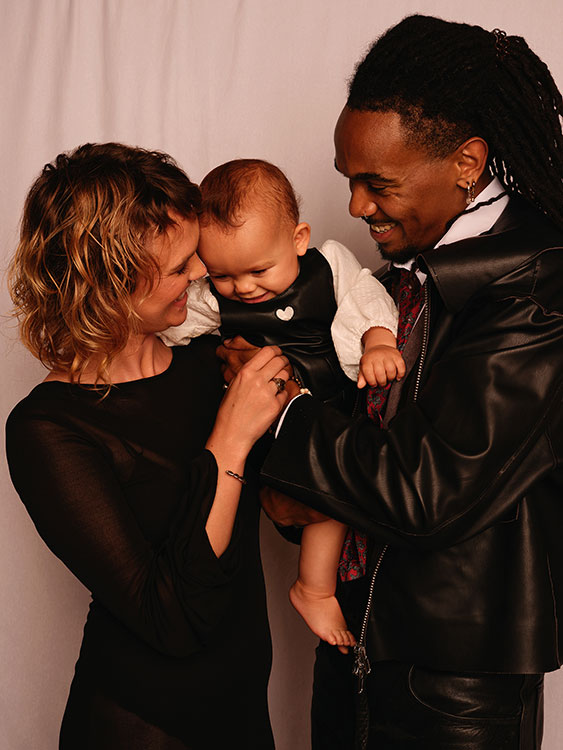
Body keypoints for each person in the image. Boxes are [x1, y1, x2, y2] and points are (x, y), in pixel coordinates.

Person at [220, 15, 563, 750]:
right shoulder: (391, 285)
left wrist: (278, 409)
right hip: (349, 651)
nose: (354, 207)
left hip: (454, 693)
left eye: (377, 183)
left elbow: (424, 494)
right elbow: (334, 467)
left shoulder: (537, 290)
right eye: (348, 179)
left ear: (467, 162)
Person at [5, 142, 291, 749]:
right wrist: (232, 439)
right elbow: (172, 621)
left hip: (244, 714)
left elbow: (290, 514)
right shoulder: (48, 428)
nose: (202, 273)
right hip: (142, 727)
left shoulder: (212, 364)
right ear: (109, 282)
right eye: (180, 266)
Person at [160, 157, 403, 652]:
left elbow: (367, 295)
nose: (244, 288)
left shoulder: (328, 265)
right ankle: (314, 588)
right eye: (223, 275)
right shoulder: (212, 298)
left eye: (258, 270)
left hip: (326, 411)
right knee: (328, 498)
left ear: (298, 239)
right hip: (269, 426)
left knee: (340, 490)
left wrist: (378, 342)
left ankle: (315, 585)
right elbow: (175, 326)